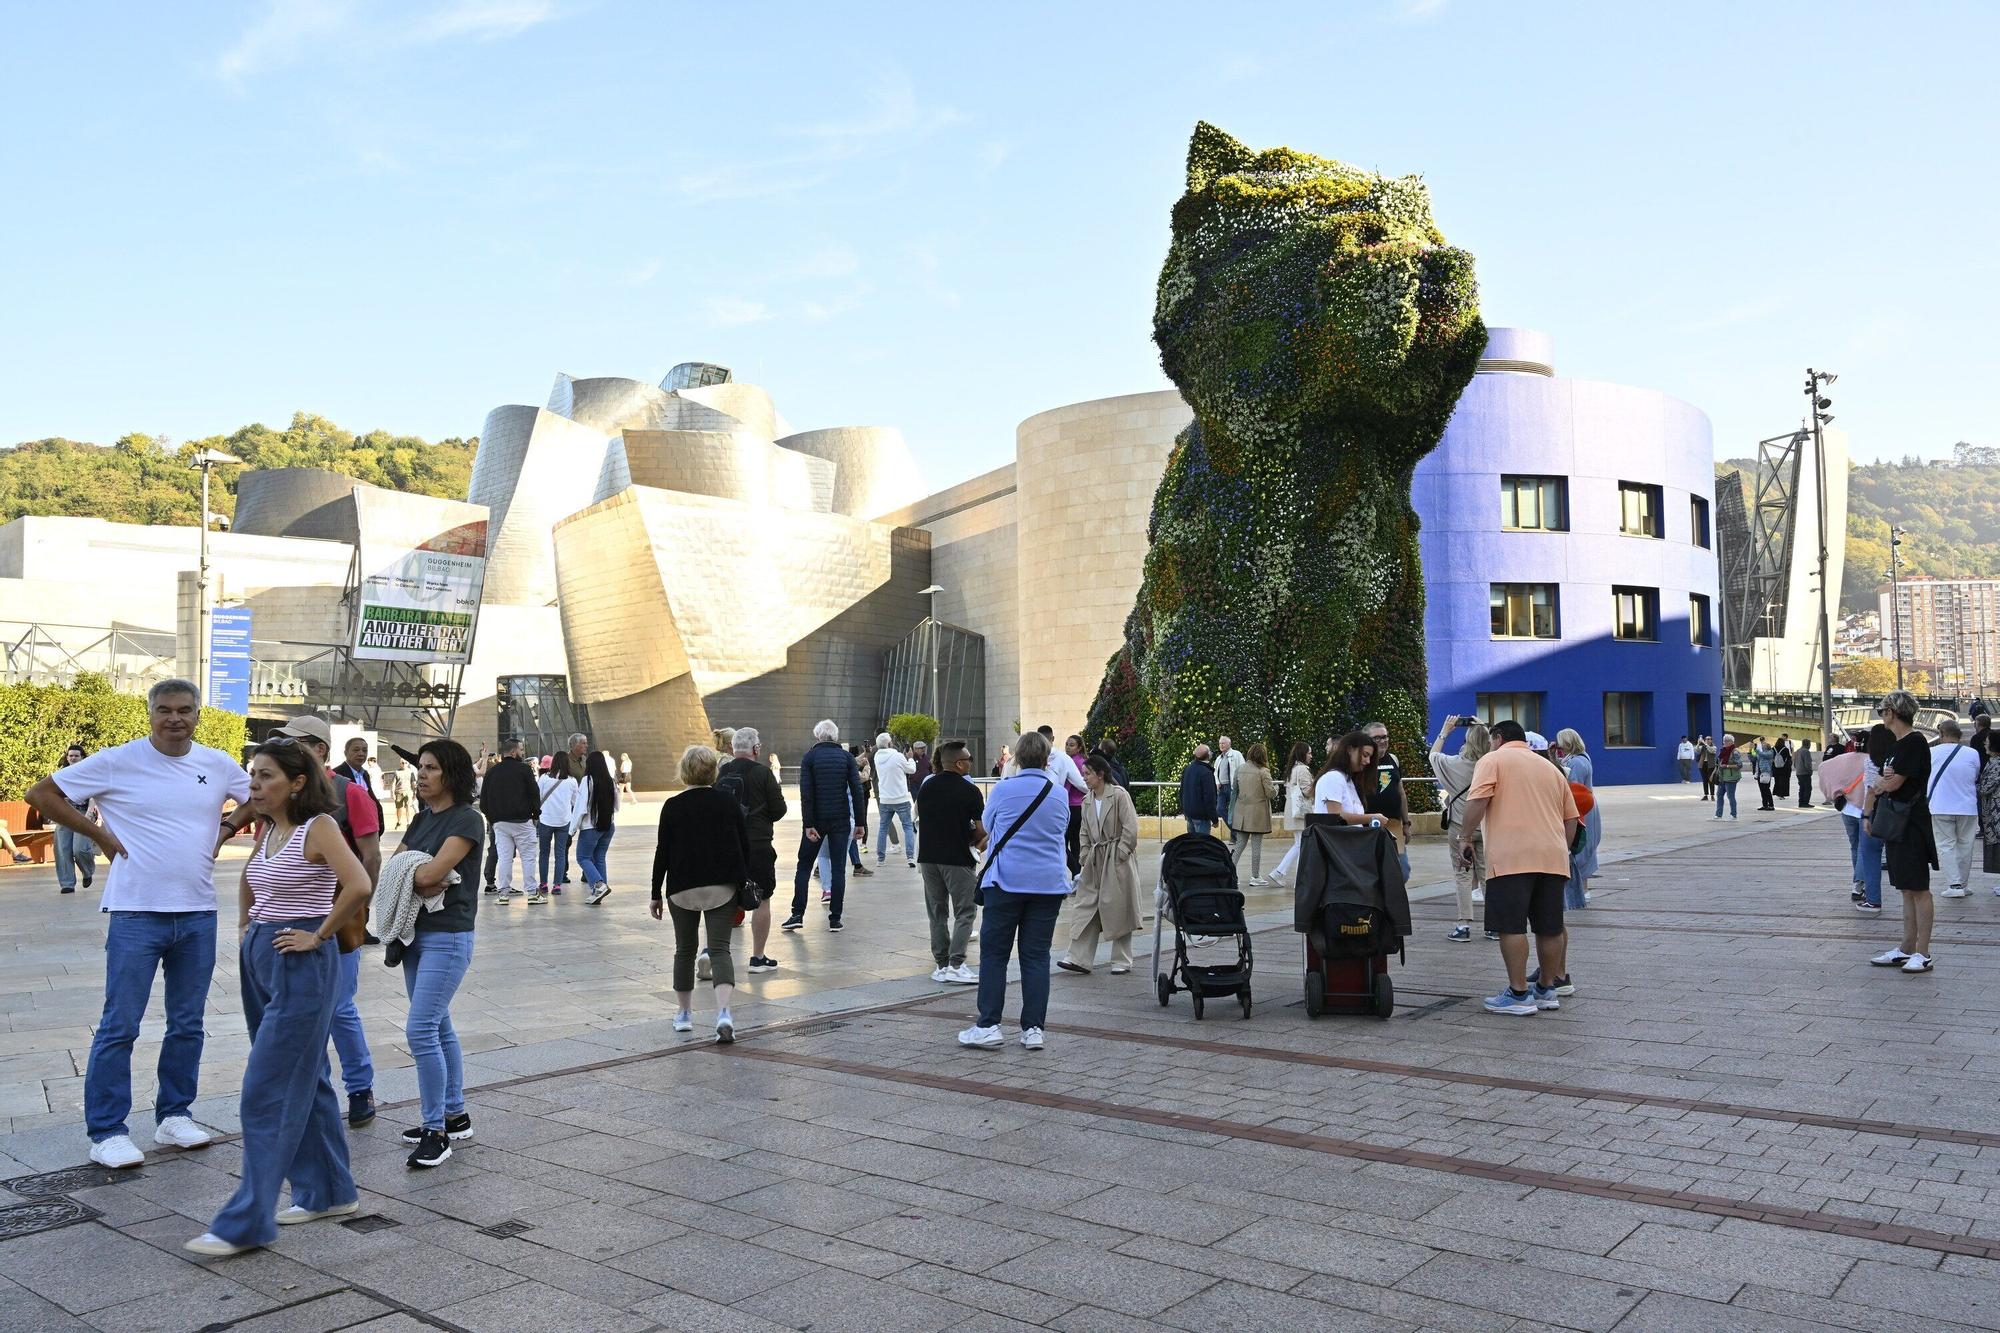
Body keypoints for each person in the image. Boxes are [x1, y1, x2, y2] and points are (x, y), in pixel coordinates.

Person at [28, 679, 249, 1169]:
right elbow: (42, 793)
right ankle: (107, 1131)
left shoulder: (216, 763)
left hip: (197, 911)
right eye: (165, 710)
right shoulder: (116, 761)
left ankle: (175, 1115)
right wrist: (100, 835)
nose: (175, 719)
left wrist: (229, 827)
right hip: (135, 912)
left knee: (187, 1023)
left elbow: (261, 794)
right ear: (150, 714)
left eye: (185, 710)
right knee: (120, 1024)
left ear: (198, 715)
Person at [183, 740, 372, 1257]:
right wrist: (247, 925)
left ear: (297, 782)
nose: (254, 785)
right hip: (263, 955)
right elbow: (252, 878)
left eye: (266, 776)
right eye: (253, 775)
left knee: (267, 1089)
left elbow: (358, 884)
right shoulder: (270, 828)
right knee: (307, 1078)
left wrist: (320, 934)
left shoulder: (319, 827)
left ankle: (245, 1221)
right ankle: (329, 1192)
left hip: (301, 961)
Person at [270, 716, 382, 1127]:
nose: (287, 749)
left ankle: (359, 1087)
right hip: (291, 916)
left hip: (339, 914)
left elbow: (371, 856)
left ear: (319, 748)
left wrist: (360, 910)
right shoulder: (284, 792)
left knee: (338, 1006)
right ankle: (312, 1092)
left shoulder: (349, 792)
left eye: (295, 743)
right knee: (295, 1008)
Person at [395, 739, 484, 1167]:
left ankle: (435, 1131)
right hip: (414, 933)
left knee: (420, 1029)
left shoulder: (468, 819)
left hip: (448, 936)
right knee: (438, 1024)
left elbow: (429, 872)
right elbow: (398, 870)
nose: (422, 774)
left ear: (452, 773)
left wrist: (421, 874)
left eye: (431, 768)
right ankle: (455, 1114)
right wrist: (421, 875)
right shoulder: (421, 818)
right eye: (421, 767)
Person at [1454, 719, 1580, 1016]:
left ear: (1497, 737)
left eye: (1491, 740)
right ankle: (1547, 989)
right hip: (1552, 857)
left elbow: (1478, 800)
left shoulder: (1492, 760)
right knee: (1549, 926)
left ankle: (1519, 993)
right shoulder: (1550, 767)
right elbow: (1571, 818)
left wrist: (1465, 837)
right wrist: (1560, 848)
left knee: (1510, 925)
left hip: (1511, 856)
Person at [960, 731, 1072, 1050]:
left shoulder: (1004, 789)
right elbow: (1061, 829)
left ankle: (989, 1025)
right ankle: (1033, 1029)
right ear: (1047, 759)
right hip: (1048, 884)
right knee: (1036, 956)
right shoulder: (1058, 793)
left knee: (995, 954)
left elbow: (988, 824)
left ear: (1018, 758)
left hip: (1006, 881)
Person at [651, 745, 750, 1043]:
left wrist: (655, 892)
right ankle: (724, 1013)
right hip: (722, 886)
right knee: (720, 950)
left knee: (684, 950)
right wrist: (742, 883)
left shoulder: (672, 806)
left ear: (684, 772)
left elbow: (662, 851)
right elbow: (743, 846)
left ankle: (684, 1015)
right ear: (713, 771)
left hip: (682, 888)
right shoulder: (727, 802)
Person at [1868, 691, 1938, 972]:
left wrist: (1881, 785)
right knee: (1906, 888)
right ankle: (1906, 948)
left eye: (1882, 711)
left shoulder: (1914, 741)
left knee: (1919, 888)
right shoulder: (1896, 746)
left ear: (1892, 712)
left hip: (1912, 823)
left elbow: (1893, 783)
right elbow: (1883, 781)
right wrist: (1882, 785)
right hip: (1897, 823)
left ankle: (1924, 952)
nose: (1881, 716)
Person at [1059, 754, 1142, 975]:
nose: (1084, 778)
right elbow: (1084, 831)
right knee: (1085, 907)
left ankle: (1122, 959)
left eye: (1087, 774)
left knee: (1119, 908)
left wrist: (1121, 853)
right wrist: (1085, 855)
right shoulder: (1087, 800)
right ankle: (1078, 957)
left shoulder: (1119, 795)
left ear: (1100, 774)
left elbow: (1131, 827)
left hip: (1117, 859)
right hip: (1095, 861)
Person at [783, 720, 864, 932]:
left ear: (817, 736)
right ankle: (835, 919)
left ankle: (797, 914)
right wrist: (860, 823)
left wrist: (808, 824)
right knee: (838, 868)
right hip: (840, 820)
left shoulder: (809, 757)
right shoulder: (847, 758)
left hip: (816, 821)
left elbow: (806, 794)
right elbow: (857, 791)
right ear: (835, 736)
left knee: (804, 865)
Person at [916, 739, 985, 984]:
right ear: (959, 763)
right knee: (965, 911)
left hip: (928, 859)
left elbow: (922, 818)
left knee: (937, 913)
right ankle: (956, 964)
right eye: (969, 759)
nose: (970, 763)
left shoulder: (926, 787)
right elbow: (981, 829)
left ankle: (942, 965)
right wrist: (975, 841)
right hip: (957, 858)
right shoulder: (970, 790)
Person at [717, 727, 786, 972]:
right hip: (757, 844)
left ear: (732, 748)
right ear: (756, 749)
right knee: (762, 899)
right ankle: (757, 957)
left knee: (724, 901)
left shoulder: (723, 771)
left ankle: (714, 953)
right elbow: (779, 810)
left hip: (727, 845)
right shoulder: (763, 773)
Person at [1429, 716, 1491, 942]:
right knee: (1487, 874)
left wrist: (1445, 731)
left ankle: (1464, 924)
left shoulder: (1454, 764)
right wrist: (1482, 727)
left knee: (1462, 873)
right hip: (1486, 825)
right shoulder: (1492, 764)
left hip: (1460, 826)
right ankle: (1494, 925)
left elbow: (1433, 755)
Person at [479, 739, 540, 903]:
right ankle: (532, 893)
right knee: (528, 857)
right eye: (521, 749)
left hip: (500, 822)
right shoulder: (524, 769)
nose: (522, 752)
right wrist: (535, 815)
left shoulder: (491, 772)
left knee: (504, 857)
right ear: (513, 752)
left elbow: (484, 801)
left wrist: (492, 819)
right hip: (522, 820)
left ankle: (503, 893)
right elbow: (534, 794)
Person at [1928, 719, 1980, 898]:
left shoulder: (1931, 752)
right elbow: (1974, 776)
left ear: (1941, 734)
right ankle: (1963, 884)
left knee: (1946, 845)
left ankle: (1955, 884)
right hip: (1967, 806)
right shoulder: (1972, 753)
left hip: (1940, 805)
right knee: (1966, 845)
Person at [1556, 729, 1600, 911]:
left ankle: (1582, 889)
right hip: (1585, 806)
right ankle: (1584, 887)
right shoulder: (1582, 758)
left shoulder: (1576, 763)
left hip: (1580, 807)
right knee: (1585, 846)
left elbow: (1571, 787)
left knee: (1579, 846)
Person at [1362, 720, 1412, 879]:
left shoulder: (1393, 759)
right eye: (1377, 738)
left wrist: (1406, 824)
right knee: (1372, 872)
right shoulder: (1362, 763)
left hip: (1393, 825)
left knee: (1402, 872)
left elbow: (1401, 793)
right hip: (1368, 826)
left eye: (1385, 737)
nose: (1382, 741)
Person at [572, 749, 621, 905]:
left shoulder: (587, 781)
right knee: (599, 858)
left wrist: (572, 829)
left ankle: (599, 886)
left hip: (591, 826)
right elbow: (617, 806)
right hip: (608, 825)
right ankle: (598, 892)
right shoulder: (611, 781)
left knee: (583, 857)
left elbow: (580, 807)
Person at [52, 744, 97, 893]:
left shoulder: (88, 774)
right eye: (70, 755)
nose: (73, 758)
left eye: (76, 756)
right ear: (67, 758)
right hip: (64, 813)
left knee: (80, 849)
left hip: (83, 812)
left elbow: (94, 794)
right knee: (62, 849)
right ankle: (67, 884)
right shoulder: (61, 774)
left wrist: (90, 812)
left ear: (82, 757)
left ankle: (87, 871)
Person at [1230, 744, 1275, 884]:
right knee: (1256, 846)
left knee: (1239, 845)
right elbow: (1270, 793)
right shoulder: (1263, 771)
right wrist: (1277, 789)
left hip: (1241, 814)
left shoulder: (1239, 769)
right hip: (1258, 815)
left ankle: (1229, 874)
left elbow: (1234, 789)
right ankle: (1255, 877)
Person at [535, 752, 578, 897]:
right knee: (560, 854)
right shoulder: (572, 781)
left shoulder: (544, 778)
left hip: (545, 819)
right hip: (564, 821)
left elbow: (538, 796)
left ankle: (543, 884)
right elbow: (575, 802)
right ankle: (557, 885)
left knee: (544, 853)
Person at [872, 733, 919, 867]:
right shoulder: (898, 756)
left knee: (883, 828)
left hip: (885, 799)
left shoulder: (877, 757)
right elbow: (911, 770)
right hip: (900, 798)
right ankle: (910, 858)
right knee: (908, 827)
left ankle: (880, 859)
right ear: (889, 743)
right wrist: (910, 758)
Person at [1061, 735, 1089, 878]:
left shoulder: (1074, 762)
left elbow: (1078, 784)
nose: (1067, 747)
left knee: (1063, 843)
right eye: (1067, 744)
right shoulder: (1080, 761)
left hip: (1072, 806)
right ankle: (1076, 874)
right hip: (1078, 806)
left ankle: (1076, 872)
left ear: (1079, 748)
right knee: (1075, 842)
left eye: (1071, 745)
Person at [1179, 744, 1219, 837]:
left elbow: (1182, 792)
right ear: (1208, 755)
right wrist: (1214, 819)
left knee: (1192, 842)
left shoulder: (1188, 769)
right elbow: (1209, 798)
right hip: (1201, 816)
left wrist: (1185, 810)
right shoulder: (1206, 773)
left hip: (1189, 813)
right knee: (1202, 842)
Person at [1978, 730, 2000, 895]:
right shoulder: (1993, 762)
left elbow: (1985, 787)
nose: (1985, 743)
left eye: (1987, 741)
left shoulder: (1997, 764)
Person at [1214, 735, 1243, 836]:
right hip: (1222, 788)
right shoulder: (1219, 758)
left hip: (1232, 788)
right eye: (1220, 743)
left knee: (1233, 812)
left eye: (1223, 743)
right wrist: (1217, 782)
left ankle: (1234, 837)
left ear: (1229, 744)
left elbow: (1242, 769)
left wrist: (1239, 785)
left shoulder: (1237, 754)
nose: (1221, 745)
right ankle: (1235, 832)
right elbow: (1215, 773)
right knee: (1219, 809)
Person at [1713, 734, 1741, 819]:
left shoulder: (1735, 752)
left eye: (1726, 741)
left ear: (1731, 742)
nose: (1724, 742)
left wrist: (1727, 766)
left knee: (1730, 796)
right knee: (1719, 795)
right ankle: (1718, 814)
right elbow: (1719, 763)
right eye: (1724, 741)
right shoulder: (1723, 751)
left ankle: (1733, 814)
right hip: (1722, 777)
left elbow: (1739, 765)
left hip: (1731, 777)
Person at [1795, 735, 1819, 809]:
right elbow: (1807, 764)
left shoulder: (1798, 751)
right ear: (1808, 744)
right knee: (1807, 788)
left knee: (1801, 788)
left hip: (1798, 772)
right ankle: (1805, 802)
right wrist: (1810, 771)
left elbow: (1794, 762)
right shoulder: (1806, 752)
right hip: (1805, 773)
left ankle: (1801, 802)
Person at [1773, 734, 1794, 800]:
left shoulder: (1773, 749)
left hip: (1776, 768)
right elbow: (1789, 758)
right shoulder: (1785, 749)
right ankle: (1782, 794)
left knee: (1777, 781)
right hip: (1784, 768)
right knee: (1783, 781)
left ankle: (1777, 792)